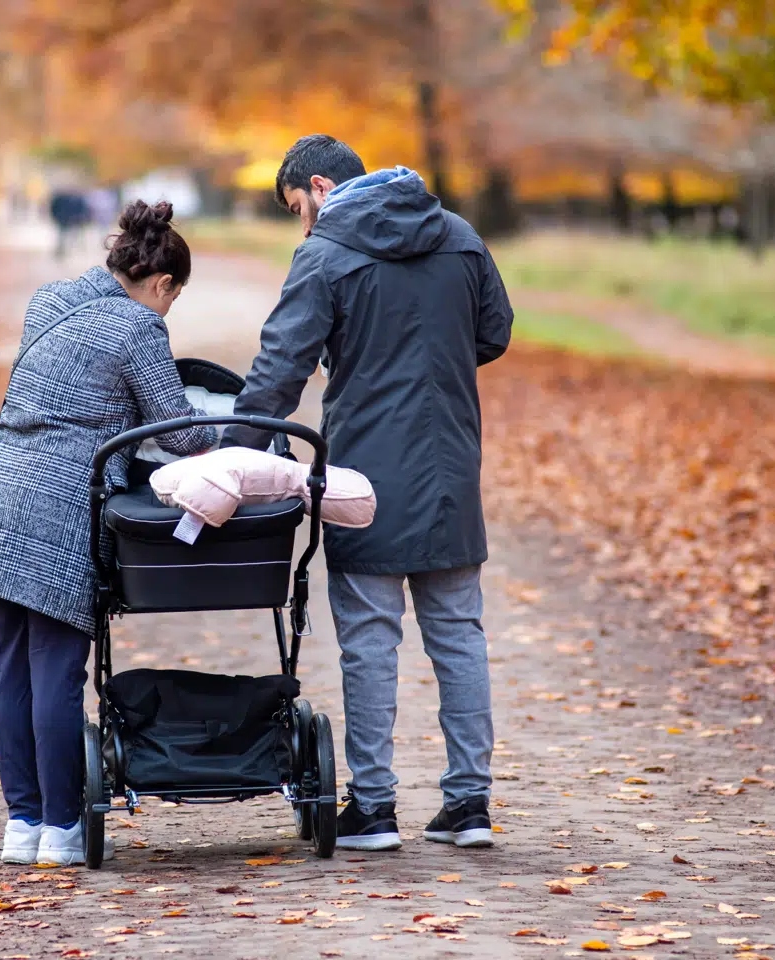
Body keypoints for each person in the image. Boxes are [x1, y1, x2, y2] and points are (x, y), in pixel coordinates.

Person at [222, 135, 514, 852]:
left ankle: (374, 809)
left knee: (368, 641)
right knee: (459, 635)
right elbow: (495, 332)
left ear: (320, 187)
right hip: (450, 466)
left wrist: (234, 454)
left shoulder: (324, 255)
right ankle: (469, 805)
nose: (301, 224)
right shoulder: (459, 235)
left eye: (298, 207)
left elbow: (281, 367)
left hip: (363, 477)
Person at [0, 201, 217, 866]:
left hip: (0, 492)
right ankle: (62, 832)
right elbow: (180, 432)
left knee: (12, 665)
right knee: (57, 673)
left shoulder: (50, 301)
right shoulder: (137, 327)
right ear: (163, 285)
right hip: (59, 509)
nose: (168, 312)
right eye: (173, 300)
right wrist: (229, 431)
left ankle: (23, 825)